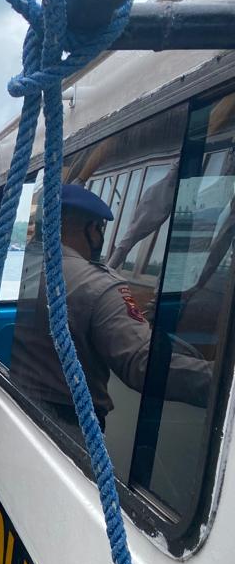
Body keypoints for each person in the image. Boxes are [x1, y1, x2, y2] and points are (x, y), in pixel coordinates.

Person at [11, 184, 211, 436]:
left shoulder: (12, 270)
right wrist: (219, 378)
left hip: (12, 401)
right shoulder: (97, 285)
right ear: (91, 229)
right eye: (100, 229)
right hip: (68, 425)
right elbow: (141, 363)